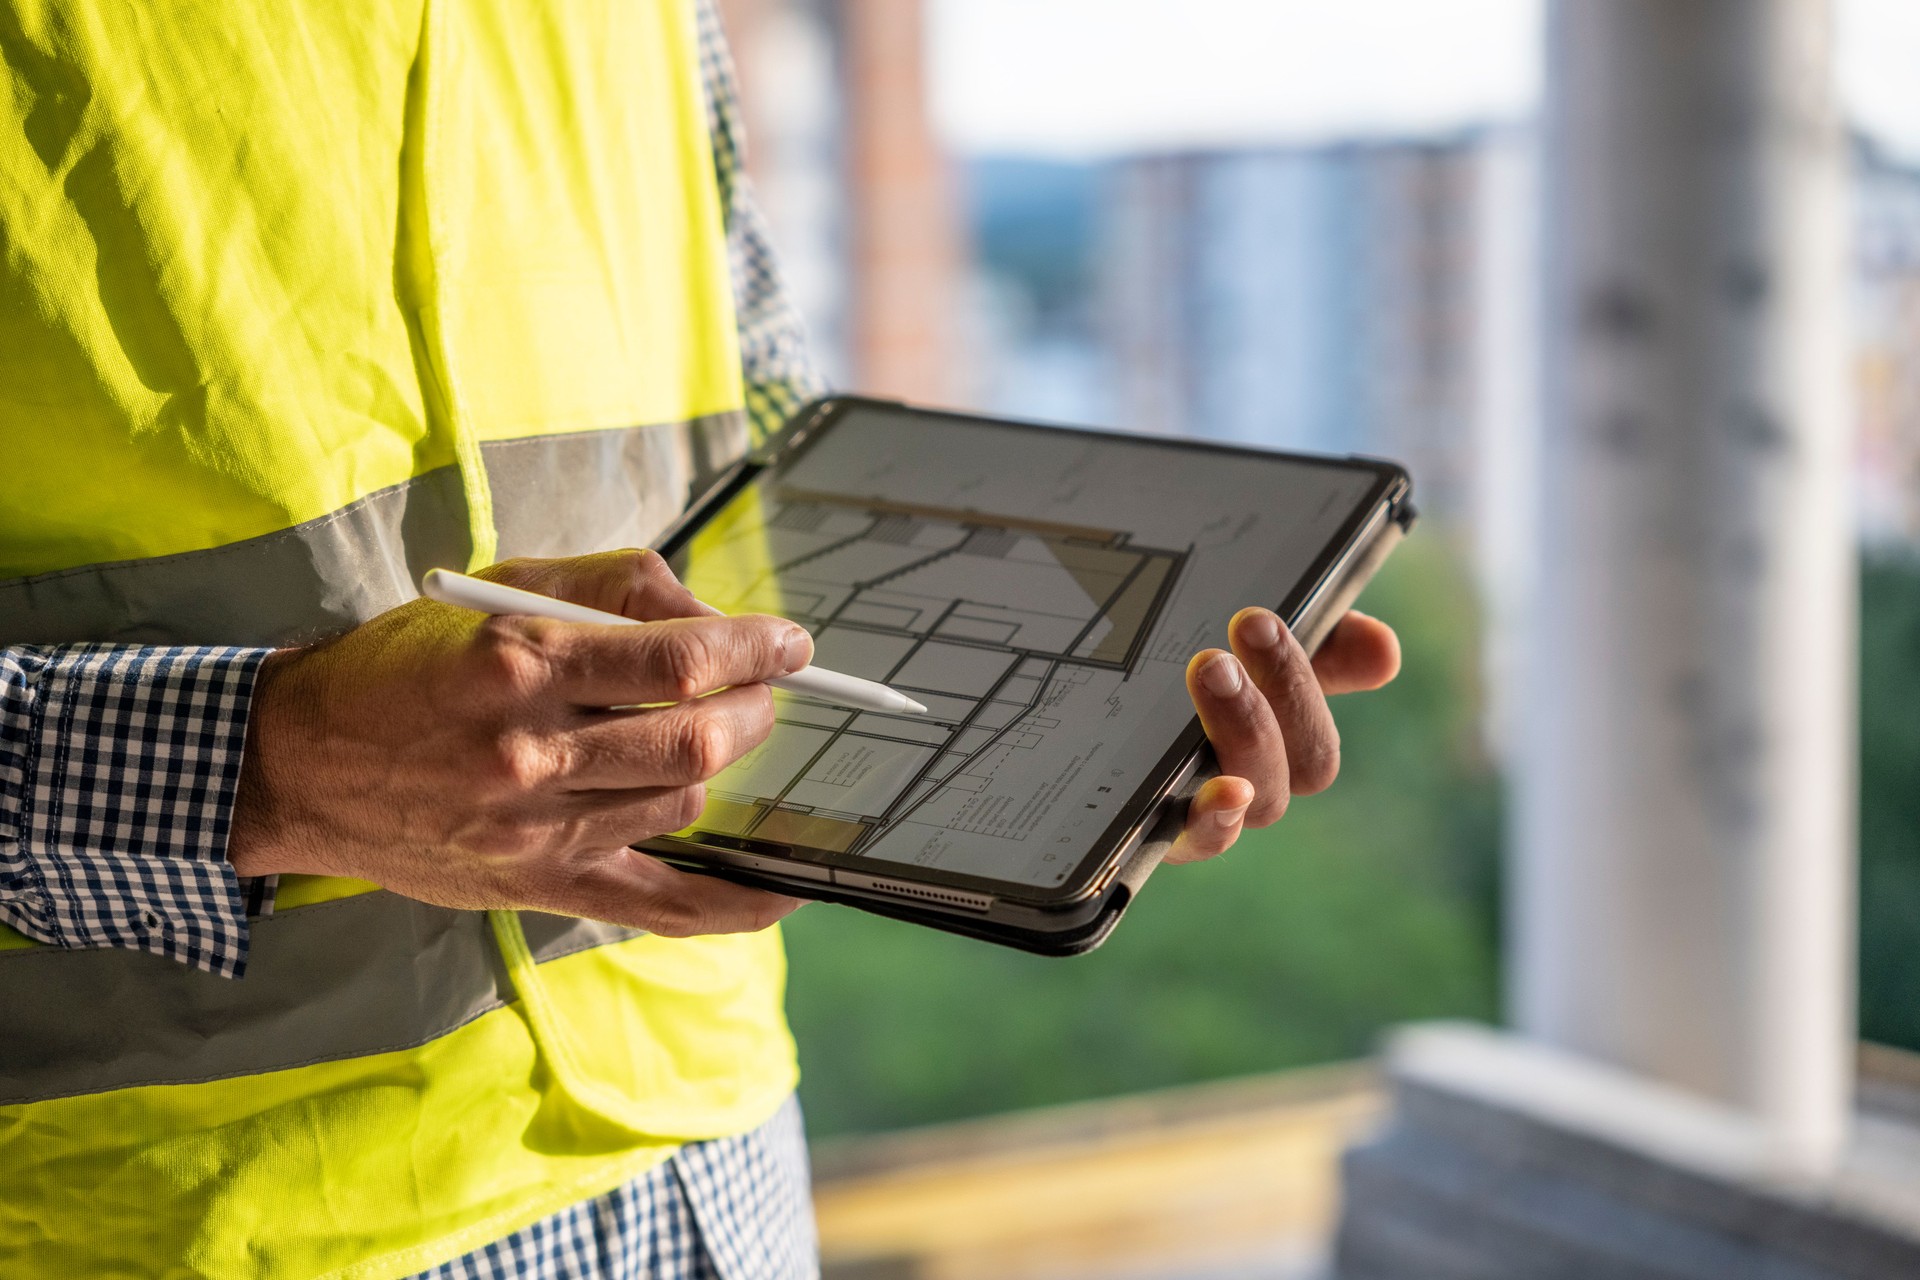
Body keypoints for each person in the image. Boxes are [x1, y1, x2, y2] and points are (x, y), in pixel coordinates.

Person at [0, 2, 1401, 1276]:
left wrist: (1083, 706)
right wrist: (269, 766)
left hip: (710, 1168)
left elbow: (772, 470)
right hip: (178, 1228)